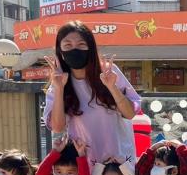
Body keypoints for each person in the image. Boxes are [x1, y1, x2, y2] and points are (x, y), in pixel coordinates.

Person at [43, 20, 140, 165]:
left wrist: (112, 87)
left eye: (81, 44)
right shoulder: (58, 81)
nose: (74, 50)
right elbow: (57, 127)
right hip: (83, 164)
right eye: (68, 45)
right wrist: (59, 89)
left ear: (91, 48)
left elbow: (130, 113)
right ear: (60, 50)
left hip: (118, 164)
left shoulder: (109, 72)